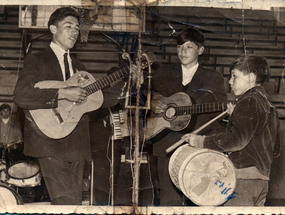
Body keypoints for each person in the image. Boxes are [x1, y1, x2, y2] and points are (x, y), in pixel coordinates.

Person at [13, 7, 91, 205]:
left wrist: (127, 86)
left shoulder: (80, 67)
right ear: (53, 29)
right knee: (66, 202)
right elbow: (21, 95)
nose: (75, 31)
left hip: (76, 144)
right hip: (49, 143)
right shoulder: (36, 60)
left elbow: (96, 101)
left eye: (77, 27)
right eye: (68, 26)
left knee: (73, 202)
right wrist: (61, 93)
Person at [182, 55, 280, 206]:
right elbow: (275, 149)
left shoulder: (248, 101)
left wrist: (200, 141)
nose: (230, 81)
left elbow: (236, 141)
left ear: (251, 77)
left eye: (234, 76)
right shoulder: (268, 105)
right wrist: (235, 118)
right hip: (261, 182)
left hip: (243, 182)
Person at [149, 27, 227, 205]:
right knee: (169, 201)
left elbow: (220, 111)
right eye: (179, 47)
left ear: (200, 50)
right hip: (166, 143)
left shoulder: (213, 78)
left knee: (198, 197)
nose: (182, 51)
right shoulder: (163, 73)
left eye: (189, 47)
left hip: (198, 144)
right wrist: (154, 103)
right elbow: (147, 97)